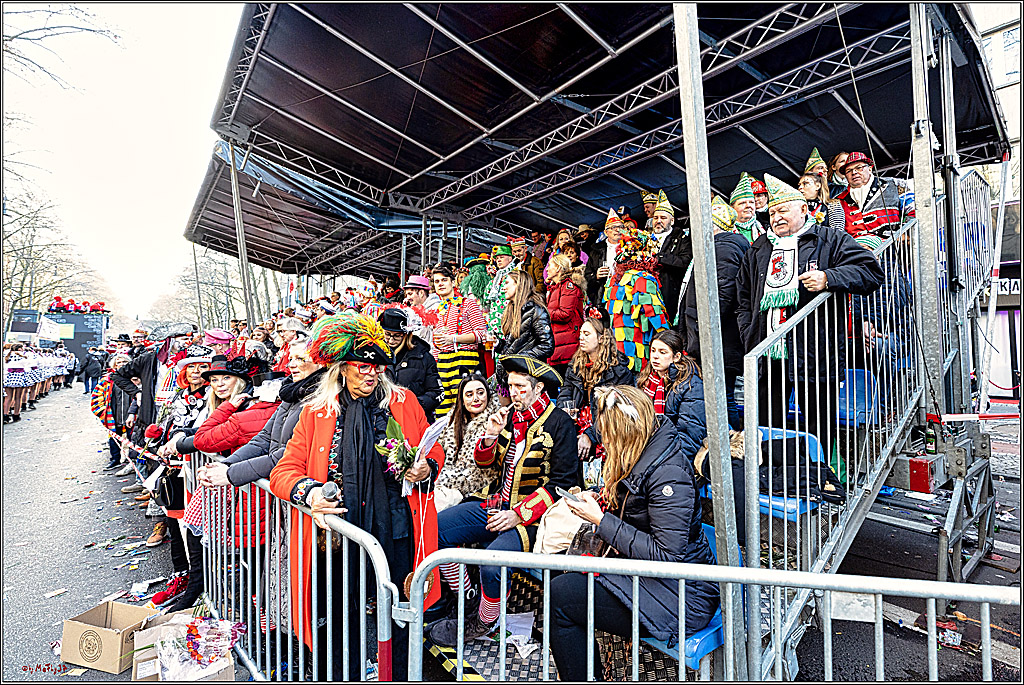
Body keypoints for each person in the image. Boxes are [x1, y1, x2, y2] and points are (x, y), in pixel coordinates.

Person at [268, 312, 443, 680]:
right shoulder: (317, 412)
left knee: (400, 612)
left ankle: (397, 676)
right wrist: (310, 493)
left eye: (377, 365)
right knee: (338, 617)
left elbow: (434, 449)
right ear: (342, 368)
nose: (370, 372)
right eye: (361, 365)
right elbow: (283, 472)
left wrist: (426, 466)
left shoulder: (404, 401)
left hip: (397, 528)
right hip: (338, 537)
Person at [549, 385, 719, 681]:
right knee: (563, 582)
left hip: (682, 593)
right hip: (650, 577)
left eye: (609, 435)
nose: (605, 442)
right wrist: (601, 502)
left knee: (562, 598)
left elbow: (667, 555)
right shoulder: (646, 449)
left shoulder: (669, 473)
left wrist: (601, 520)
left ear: (626, 433)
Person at [428, 355, 580, 646]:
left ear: (538, 389)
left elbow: (564, 483)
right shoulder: (510, 418)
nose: (513, 393)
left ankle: (482, 623)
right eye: (510, 386)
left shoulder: (559, 422)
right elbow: (488, 465)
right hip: (496, 503)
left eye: (521, 387)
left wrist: (518, 515)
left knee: (492, 563)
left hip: (535, 518)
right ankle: (469, 598)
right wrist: (489, 437)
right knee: (435, 528)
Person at [736, 174, 884, 460]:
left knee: (819, 424)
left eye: (783, 210)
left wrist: (829, 277)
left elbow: (871, 272)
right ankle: (774, 477)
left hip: (816, 351)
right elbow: (743, 298)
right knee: (768, 424)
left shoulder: (830, 239)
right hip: (769, 355)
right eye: (773, 211)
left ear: (803, 209)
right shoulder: (758, 248)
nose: (776, 217)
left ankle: (819, 479)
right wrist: (749, 333)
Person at [169, 354, 279, 613]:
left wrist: (225, 409)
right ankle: (209, 593)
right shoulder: (244, 409)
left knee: (252, 563)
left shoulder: (245, 413)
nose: (218, 384)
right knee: (247, 562)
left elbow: (204, 439)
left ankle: (248, 620)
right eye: (214, 379)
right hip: (241, 491)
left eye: (226, 378)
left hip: (248, 495)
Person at [680, 196, 749, 430]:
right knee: (721, 396)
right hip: (716, 338)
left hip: (718, 340)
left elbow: (722, 295)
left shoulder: (723, 249)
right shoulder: (722, 247)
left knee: (723, 397)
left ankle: (734, 446)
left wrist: (702, 330)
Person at [556, 317, 636, 461]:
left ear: (601, 338)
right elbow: (565, 393)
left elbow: (617, 415)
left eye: (586, 334)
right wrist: (565, 408)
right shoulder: (575, 366)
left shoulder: (620, 372)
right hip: (576, 425)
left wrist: (591, 435)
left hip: (606, 430)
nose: (581, 338)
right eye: (580, 333)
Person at [604, 208, 670, 372]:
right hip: (637, 354)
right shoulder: (643, 279)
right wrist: (671, 342)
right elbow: (655, 315)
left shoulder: (613, 280)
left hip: (615, 352)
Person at [434, 373, 502, 512]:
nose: (476, 398)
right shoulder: (452, 422)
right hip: (447, 483)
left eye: (480, 393)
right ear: (462, 400)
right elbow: (437, 450)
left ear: (488, 395)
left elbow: (481, 474)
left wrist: (446, 481)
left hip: (477, 490)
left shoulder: (496, 421)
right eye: (469, 395)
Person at [636, 330, 706, 454]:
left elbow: (689, 436)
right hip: (651, 444)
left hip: (674, 450)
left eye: (663, 352)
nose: (655, 356)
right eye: (653, 350)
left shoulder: (691, 385)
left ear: (676, 357)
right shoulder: (646, 379)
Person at [432, 263, 487, 416]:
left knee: (466, 406)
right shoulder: (436, 310)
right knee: (442, 408)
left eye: (444, 280)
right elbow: (436, 343)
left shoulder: (468, 303)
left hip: (465, 358)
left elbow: (481, 334)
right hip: (442, 361)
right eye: (437, 282)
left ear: (453, 282)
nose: (440, 284)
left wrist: (454, 338)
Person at [493, 271, 554, 393]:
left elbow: (547, 346)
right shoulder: (512, 310)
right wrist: (498, 344)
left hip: (527, 379)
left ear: (519, 284)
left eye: (507, 283)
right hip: (511, 376)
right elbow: (514, 347)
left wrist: (520, 360)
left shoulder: (537, 310)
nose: (503, 288)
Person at [832, 151, 915, 240]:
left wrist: (907, 235)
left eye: (859, 167)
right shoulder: (839, 201)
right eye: (848, 171)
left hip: (894, 248)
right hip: (858, 251)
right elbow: (837, 232)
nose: (854, 172)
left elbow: (913, 210)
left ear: (870, 169)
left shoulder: (894, 184)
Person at [379, 307, 443, 421]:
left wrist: (412, 404)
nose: (391, 340)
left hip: (415, 419)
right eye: (387, 334)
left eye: (397, 335)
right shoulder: (377, 355)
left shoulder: (424, 357)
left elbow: (437, 393)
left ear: (406, 335)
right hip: (383, 421)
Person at [546, 253, 586, 380]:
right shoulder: (556, 287)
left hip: (568, 344)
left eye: (550, 265)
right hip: (559, 343)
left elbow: (565, 314)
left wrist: (545, 313)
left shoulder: (569, 287)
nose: (547, 269)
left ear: (558, 268)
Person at [584, 209, 624, 305]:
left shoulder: (630, 247)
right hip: (603, 295)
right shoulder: (596, 251)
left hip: (624, 294)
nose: (618, 230)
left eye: (620, 227)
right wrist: (596, 276)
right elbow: (587, 276)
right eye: (613, 227)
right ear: (606, 232)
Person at [482, 244, 517, 341]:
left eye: (502, 257)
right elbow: (486, 297)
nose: (499, 260)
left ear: (510, 259)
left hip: (509, 322)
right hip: (495, 324)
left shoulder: (516, 275)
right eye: (497, 258)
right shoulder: (496, 278)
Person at [730, 172, 764, 243]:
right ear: (732, 208)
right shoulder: (725, 231)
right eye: (742, 203)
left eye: (751, 202)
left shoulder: (764, 226)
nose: (748, 206)